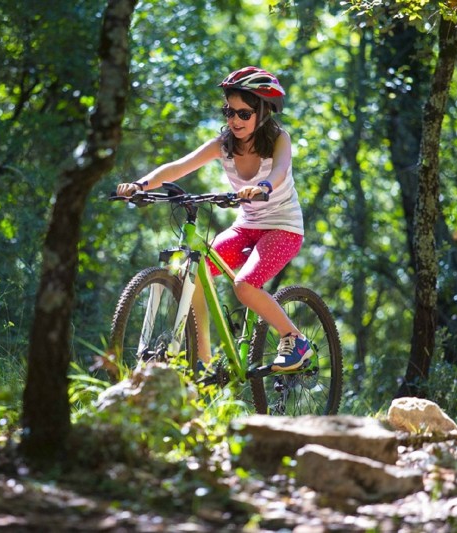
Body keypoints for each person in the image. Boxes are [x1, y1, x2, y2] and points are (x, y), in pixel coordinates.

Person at [116, 66, 312, 374]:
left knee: (245, 285)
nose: (234, 120)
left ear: (263, 112)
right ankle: (204, 361)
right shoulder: (224, 145)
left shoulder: (279, 140)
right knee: (191, 274)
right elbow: (179, 166)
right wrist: (140, 185)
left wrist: (263, 187)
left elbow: (280, 170)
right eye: (229, 112)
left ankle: (294, 339)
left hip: (282, 228)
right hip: (246, 226)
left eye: (244, 114)